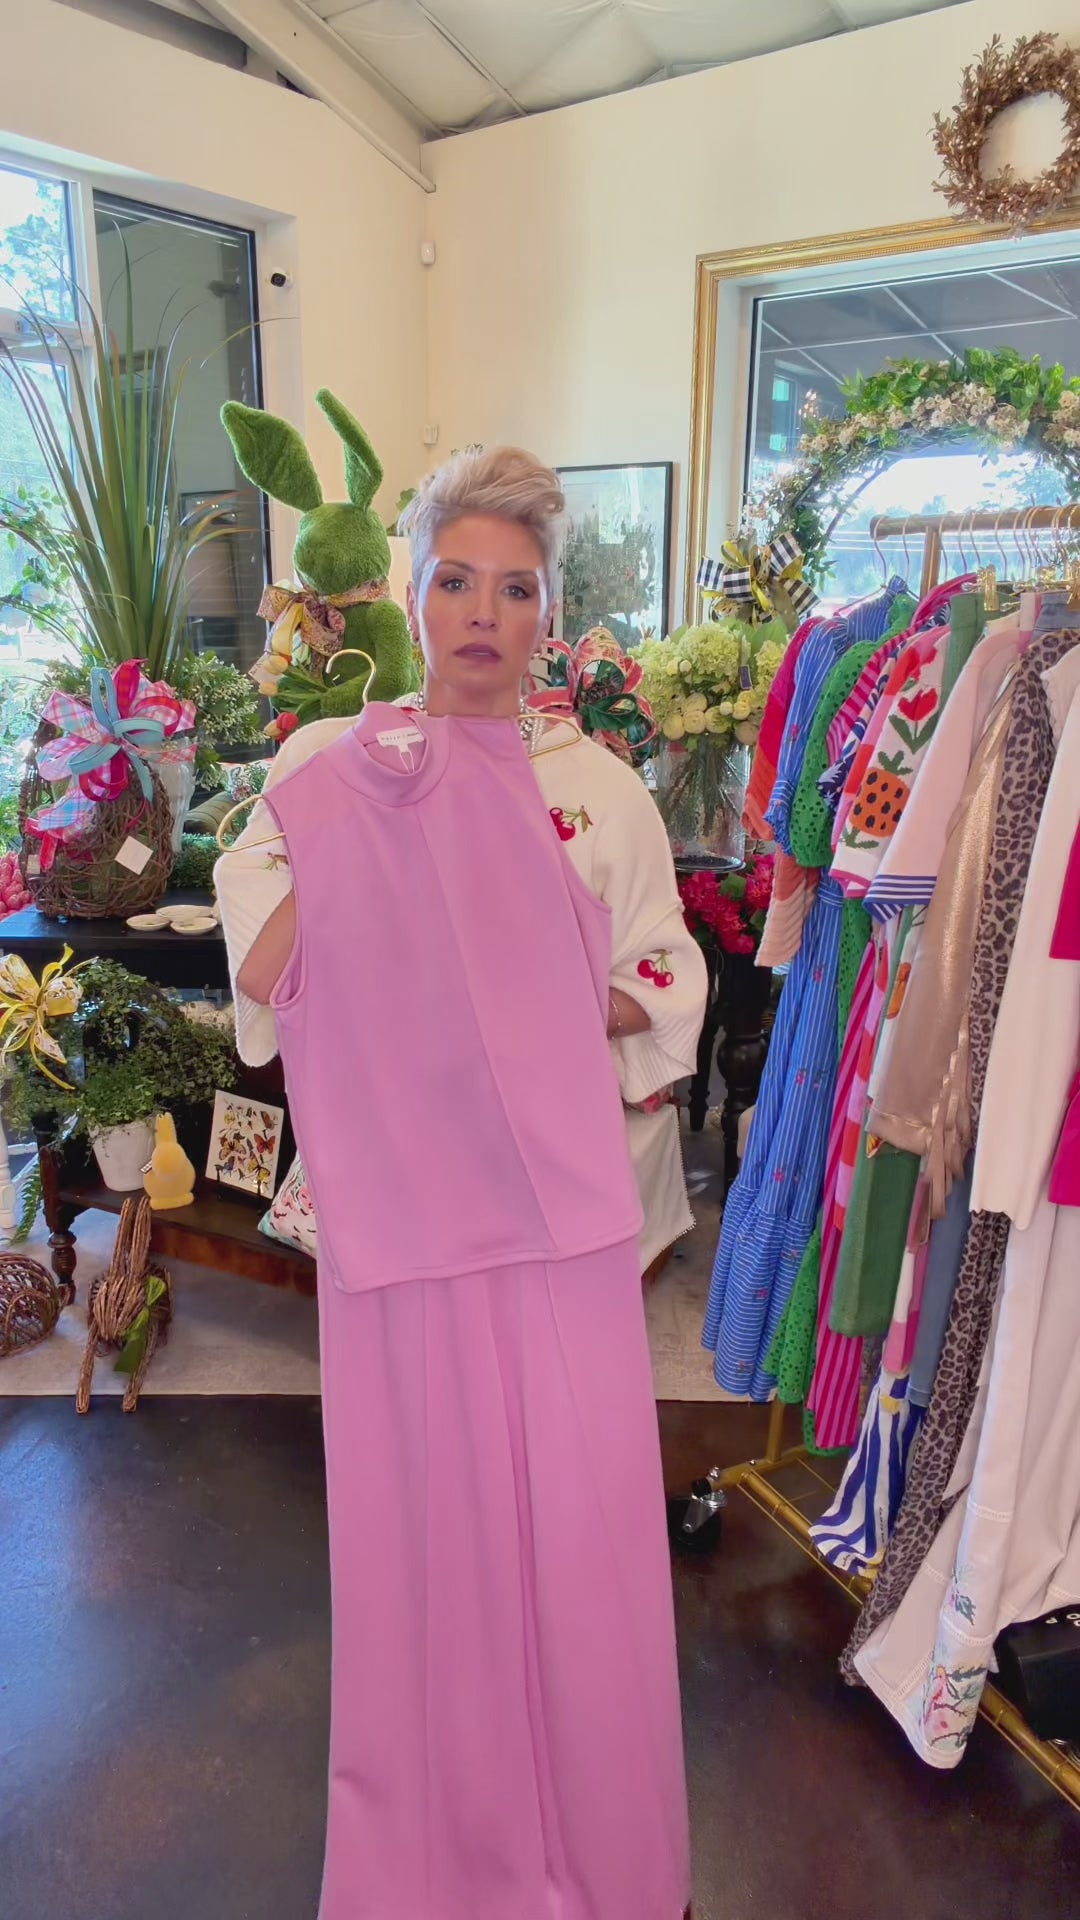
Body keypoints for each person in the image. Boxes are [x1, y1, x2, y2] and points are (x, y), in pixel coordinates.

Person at [215, 446, 707, 1920]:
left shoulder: (599, 794)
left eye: (517, 588)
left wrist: (535, 999)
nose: (484, 614)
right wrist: (365, 835)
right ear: (412, 594)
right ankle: (438, 1860)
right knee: (426, 1554)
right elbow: (268, 970)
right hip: (402, 1227)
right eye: (456, 581)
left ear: (552, 612)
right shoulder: (324, 772)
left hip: (560, 1224)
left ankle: (601, 1852)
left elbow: (665, 974)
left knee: (579, 1547)